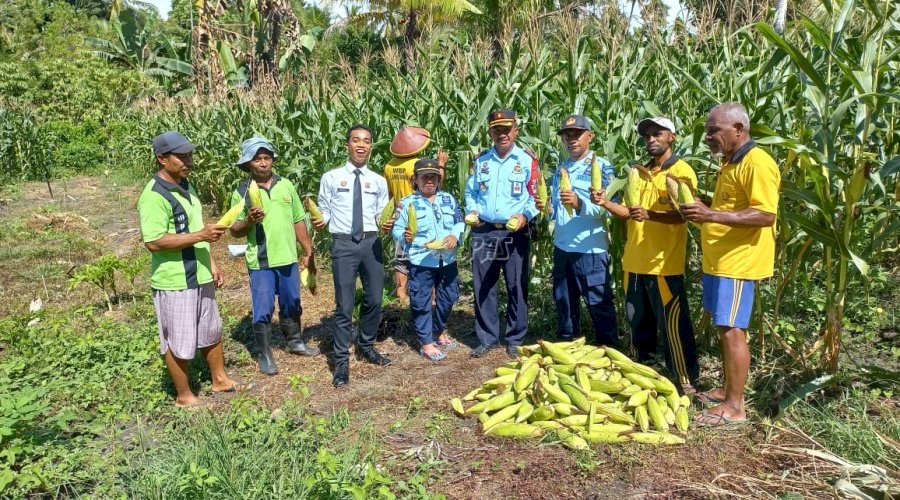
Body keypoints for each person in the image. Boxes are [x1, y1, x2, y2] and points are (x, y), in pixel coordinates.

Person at [681, 103, 780, 427]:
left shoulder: (757, 163)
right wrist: (703, 208)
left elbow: (765, 214)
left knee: (732, 330)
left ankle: (735, 407)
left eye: (714, 131)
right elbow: (729, 209)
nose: (707, 137)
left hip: (739, 263)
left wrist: (710, 215)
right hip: (721, 260)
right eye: (707, 131)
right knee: (724, 328)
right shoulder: (729, 163)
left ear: (739, 129)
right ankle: (727, 390)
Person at [137, 131, 243, 408]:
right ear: (162, 159)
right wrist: (200, 236)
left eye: (189, 155)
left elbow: (195, 228)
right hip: (175, 280)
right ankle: (184, 396)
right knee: (178, 340)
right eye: (181, 156)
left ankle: (220, 380)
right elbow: (154, 241)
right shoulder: (153, 196)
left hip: (200, 273)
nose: (188, 161)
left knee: (211, 330)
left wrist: (212, 263)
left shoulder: (185, 184)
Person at [603, 117, 701, 394]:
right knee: (637, 323)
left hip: (663, 264)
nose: (651, 139)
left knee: (674, 328)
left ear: (672, 136)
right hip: (634, 261)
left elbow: (683, 215)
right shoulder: (638, 173)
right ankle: (639, 371)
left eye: (657, 133)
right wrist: (606, 203)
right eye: (646, 135)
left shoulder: (682, 172)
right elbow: (629, 211)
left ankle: (685, 379)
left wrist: (651, 214)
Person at [227, 137, 320, 377]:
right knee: (263, 307)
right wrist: (249, 220)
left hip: (287, 257)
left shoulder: (286, 185)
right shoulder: (242, 192)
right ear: (248, 163)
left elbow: (298, 218)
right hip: (261, 261)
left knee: (291, 301)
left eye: (267, 158)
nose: (263, 163)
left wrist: (308, 250)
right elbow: (234, 230)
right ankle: (265, 353)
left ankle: (295, 341)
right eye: (257, 159)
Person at [312, 124, 392, 388]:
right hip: (344, 244)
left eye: (366, 141)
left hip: (371, 243)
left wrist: (387, 223)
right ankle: (341, 362)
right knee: (344, 306)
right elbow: (324, 209)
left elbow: (383, 213)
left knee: (374, 299)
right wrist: (320, 220)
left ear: (370, 146)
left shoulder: (379, 181)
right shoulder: (331, 177)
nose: (361, 145)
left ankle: (367, 344)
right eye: (356, 140)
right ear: (347, 145)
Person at [534, 114, 620, 346]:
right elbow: (556, 212)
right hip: (562, 247)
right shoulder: (562, 168)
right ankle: (566, 347)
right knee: (564, 301)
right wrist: (546, 208)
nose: (571, 139)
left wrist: (580, 204)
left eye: (577, 134)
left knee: (598, 303)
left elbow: (612, 209)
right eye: (567, 135)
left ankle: (609, 350)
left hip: (590, 250)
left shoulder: (602, 167)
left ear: (590, 136)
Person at [464, 109, 540, 358]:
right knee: (483, 286)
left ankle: (515, 338)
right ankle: (487, 338)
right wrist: (472, 210)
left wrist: (525, 216)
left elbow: (535, 197)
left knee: (517, 284)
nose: (502, 134)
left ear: (515, 130)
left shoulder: (528, 161)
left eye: (506, 129)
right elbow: (470, 192)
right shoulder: (482, 160)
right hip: (484, 230)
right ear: (490, 133)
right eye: (497, 130)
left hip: (514, 232)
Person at [392, 159, 465, 361]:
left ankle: (438, 330)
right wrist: (404, 235)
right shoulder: (406, 203)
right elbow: (396, 229)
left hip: (447, 259)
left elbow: (460, 222)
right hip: (421, 260)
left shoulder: (448, 199)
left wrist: (455, 236)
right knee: (421, 301)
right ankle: (426, 342)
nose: (429, 181)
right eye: (424, 177)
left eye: (433, 177)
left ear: (438, 179)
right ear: (415, 179)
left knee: (449, 297)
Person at [383, 127, 448, 301]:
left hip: (399, 213)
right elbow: (437, 183)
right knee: (426, 255)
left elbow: (389, 195)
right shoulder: (416, 165)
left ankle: (401, 294)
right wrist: (441, 163)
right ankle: (431, 296)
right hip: (419, 214)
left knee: (401, 257)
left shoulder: (389, 166)